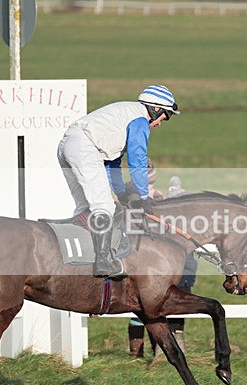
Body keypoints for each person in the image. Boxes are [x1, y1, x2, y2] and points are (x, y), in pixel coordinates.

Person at [57, 85, 179, 278]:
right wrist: (144, 196)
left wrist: (121, 193)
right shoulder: (140, 119)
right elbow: (137, 159)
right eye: (166, 116)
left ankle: (82, 257)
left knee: (85, 207)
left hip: (68, 146)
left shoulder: (126, 115)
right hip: (84, 147)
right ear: (156, 109)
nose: (161, 123)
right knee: (104, 206)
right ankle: (103, 262)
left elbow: (112, 164)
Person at [127, 168, 197, 358]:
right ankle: (137, 351)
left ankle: (166, 347)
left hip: (168, 263)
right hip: (147, 260)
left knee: (171, 302)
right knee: (144, 305)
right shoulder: (134, 198)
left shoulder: (161, 206)